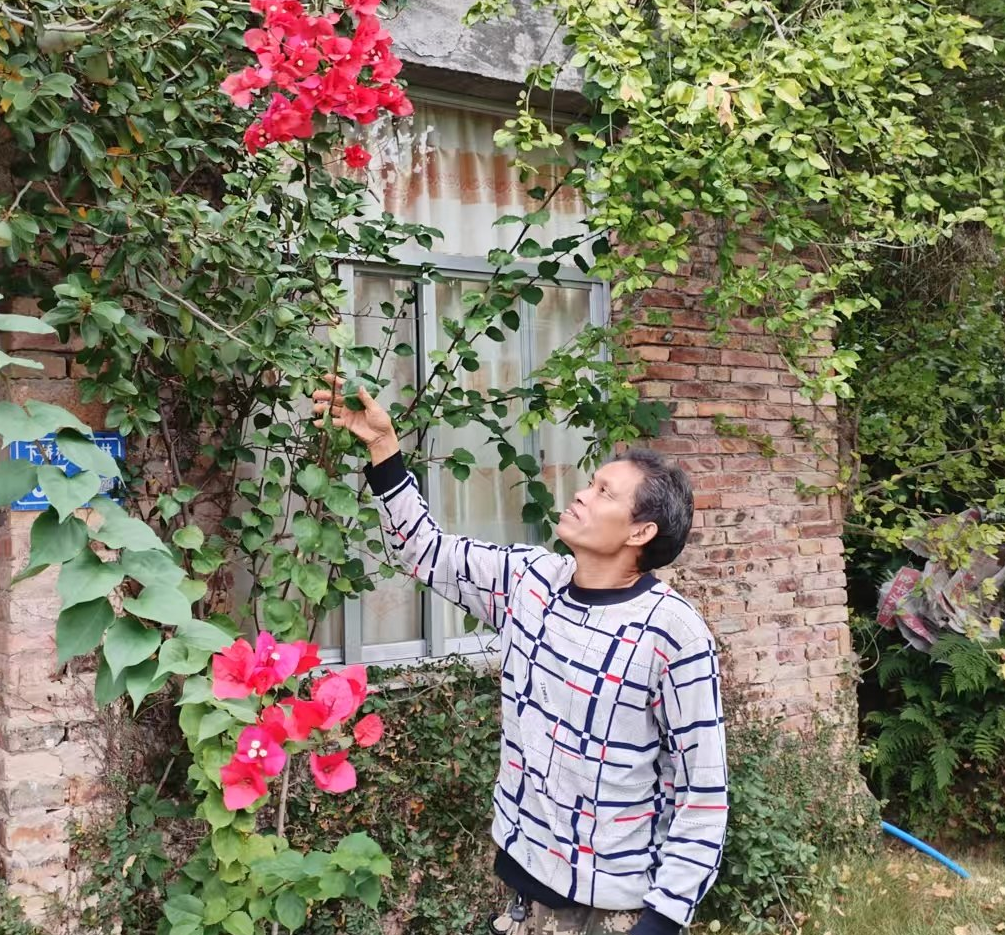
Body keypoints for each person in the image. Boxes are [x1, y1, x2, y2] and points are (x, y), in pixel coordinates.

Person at [312, 376, 728, 935]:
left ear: (641, 532)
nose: (581, 494)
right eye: (590, 483)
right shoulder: (531, 581)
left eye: (605, 493)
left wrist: (664, 919)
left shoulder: (672, 632)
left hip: (614, 908)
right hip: (522, 885)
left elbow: (703, 790)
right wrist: (384, 448)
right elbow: (426, 551)